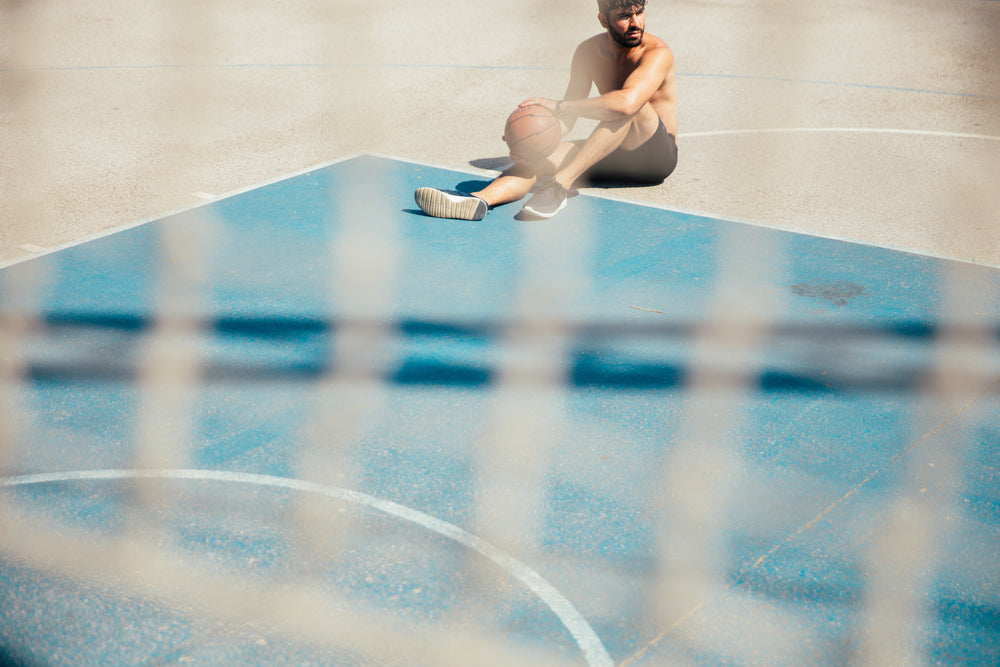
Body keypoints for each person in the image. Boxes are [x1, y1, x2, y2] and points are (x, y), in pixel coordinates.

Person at [414, 0, 677, 221]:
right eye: (624, 16)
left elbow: (626, 105)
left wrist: (558, 106)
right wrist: (531, 141)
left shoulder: (657, 52)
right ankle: (478, 201)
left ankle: (558, 188)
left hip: (654, 157)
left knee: (629, 106)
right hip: (612, 151)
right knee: (537, 158)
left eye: (639, 12)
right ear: (603, 20)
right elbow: (568, 119)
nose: (636, 23)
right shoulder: (588, 53)